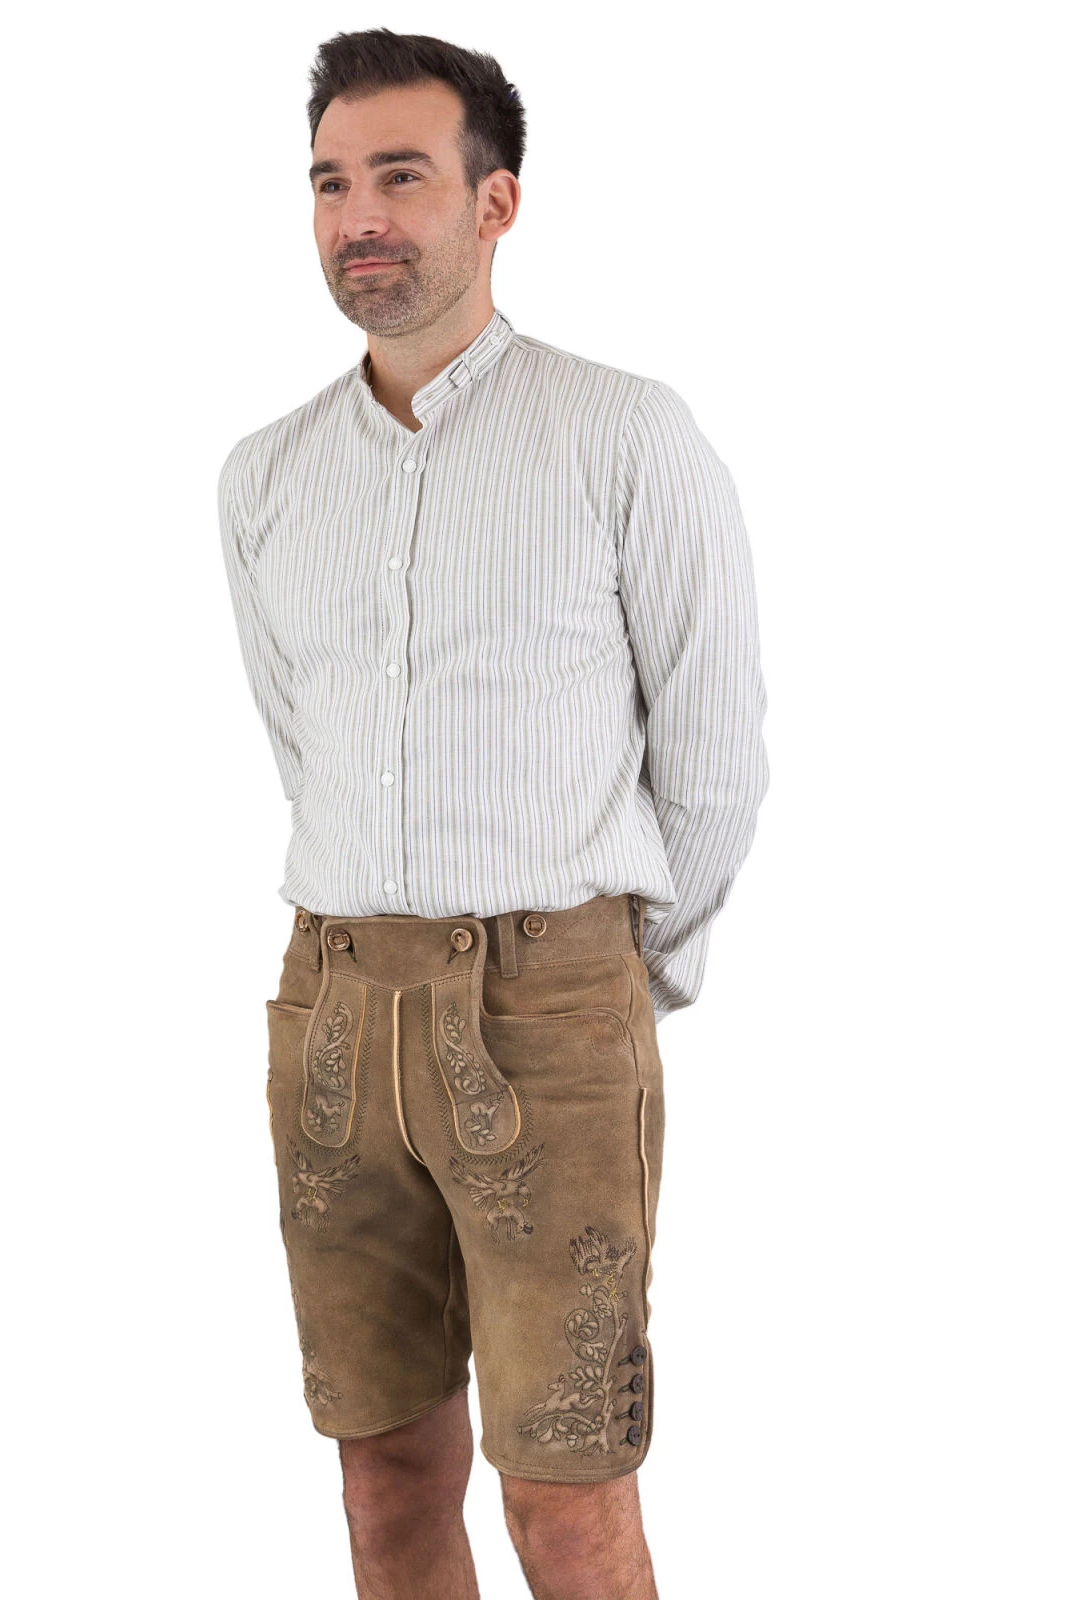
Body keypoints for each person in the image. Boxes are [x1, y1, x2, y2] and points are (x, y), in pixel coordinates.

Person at [218, 27, 768, 1600]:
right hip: (332, 1013)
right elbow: (302, 743)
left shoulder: (623, 433)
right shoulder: (264, 476)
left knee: (568, 1503)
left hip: (553, 1017)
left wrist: (598, 985)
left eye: (400, 176)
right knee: (382, 1480)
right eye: (330, 182)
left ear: (496, 201)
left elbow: (716, 755)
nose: (358, 218)